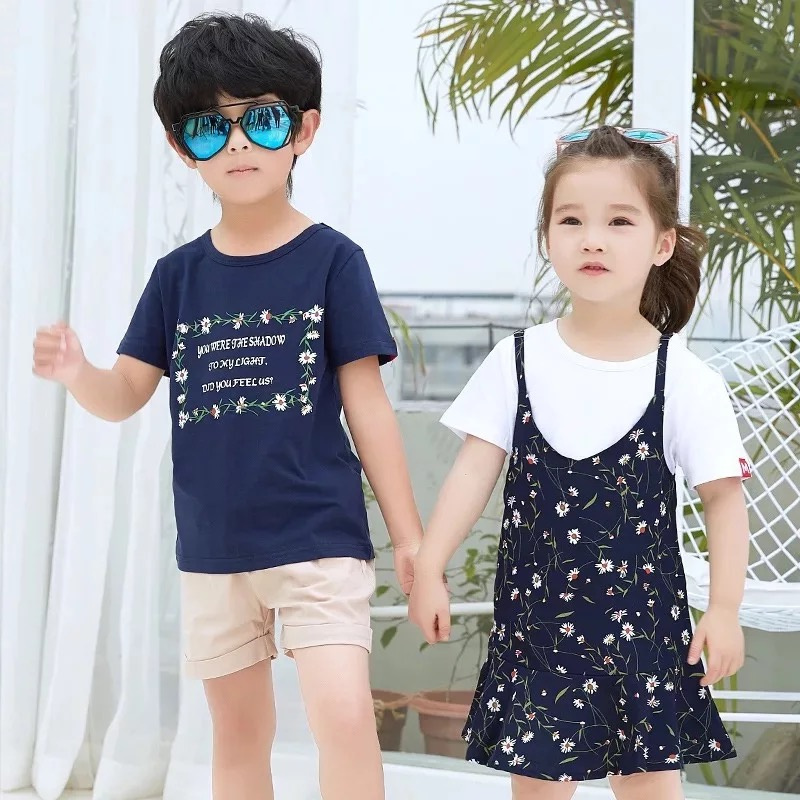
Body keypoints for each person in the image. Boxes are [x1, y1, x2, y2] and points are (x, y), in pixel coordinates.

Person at [32, 13, 423, 800]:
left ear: (303, 130)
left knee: (344, 715)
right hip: (213, 545)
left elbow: (368, 408)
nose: (238, 144)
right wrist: (79, 373)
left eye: (262, 120)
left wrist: (410, 537)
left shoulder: (333, 261)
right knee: (238, 737)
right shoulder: (177, 278)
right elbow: (126, 394)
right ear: (183, 149)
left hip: (317, 534)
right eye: (211, 128)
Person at [409, 126, 751, 800]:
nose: (592, 239)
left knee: (649, 790)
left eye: (619, 221)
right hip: (539, 633)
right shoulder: (515, 362)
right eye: (571, 220)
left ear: (662, 244)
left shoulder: (684, 379)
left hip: (643, 640)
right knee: (538, 792)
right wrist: (430, 568)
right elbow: (473, 472)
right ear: (546, 238)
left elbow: (723, 499)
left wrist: (725, 609)